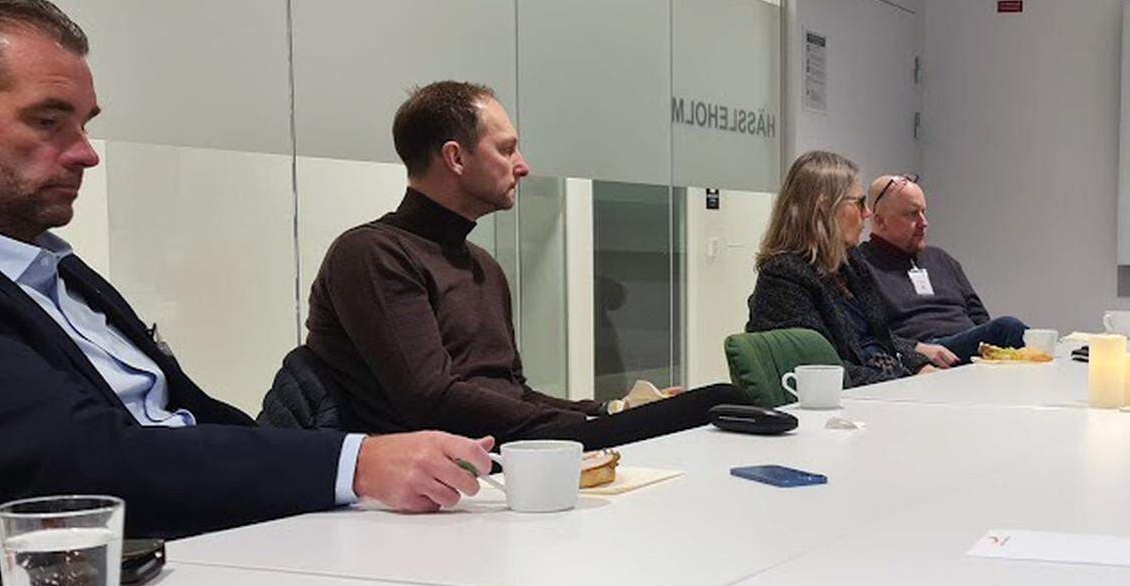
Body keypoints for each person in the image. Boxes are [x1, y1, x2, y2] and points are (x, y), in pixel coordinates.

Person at [0, 0, 492, 547]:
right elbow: (78, 460)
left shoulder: (61, 274)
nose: (86, 153)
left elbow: (189, 416)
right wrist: (354, 463)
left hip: (220, 542)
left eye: (84, 124)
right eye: (48, 121)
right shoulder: (373, 253)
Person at [297, 81, 744, 448]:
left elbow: (513, 393)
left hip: (514, 453)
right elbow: (429, 399)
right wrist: (574, 428)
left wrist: (605, 410)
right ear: (455, 158)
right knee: (718, 401)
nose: (522, 166)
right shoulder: (372, 255)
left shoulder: (483, 267)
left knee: (705, 409)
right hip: (449, 471)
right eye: (506, 150)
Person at [746, 151, 939, 387]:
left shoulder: (850, 262)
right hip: (855, 403)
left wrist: (920, 364)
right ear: (824, 208)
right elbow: (820, 370)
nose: (867, 213)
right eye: (859, 203)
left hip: (887, 385)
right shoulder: (783, 278)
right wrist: (903, 384)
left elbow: (881, 338)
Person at [857, 174, 1025, 362]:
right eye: (912, 214)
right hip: (923, 350)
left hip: (969, 345)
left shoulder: (940, 259)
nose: (924, 223)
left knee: (1033, 340)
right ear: (880, 221)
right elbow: (868, 333)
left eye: (923, 212)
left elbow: (978, 315)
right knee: (1007, 329)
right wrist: (914, 352)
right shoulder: (860, 265)